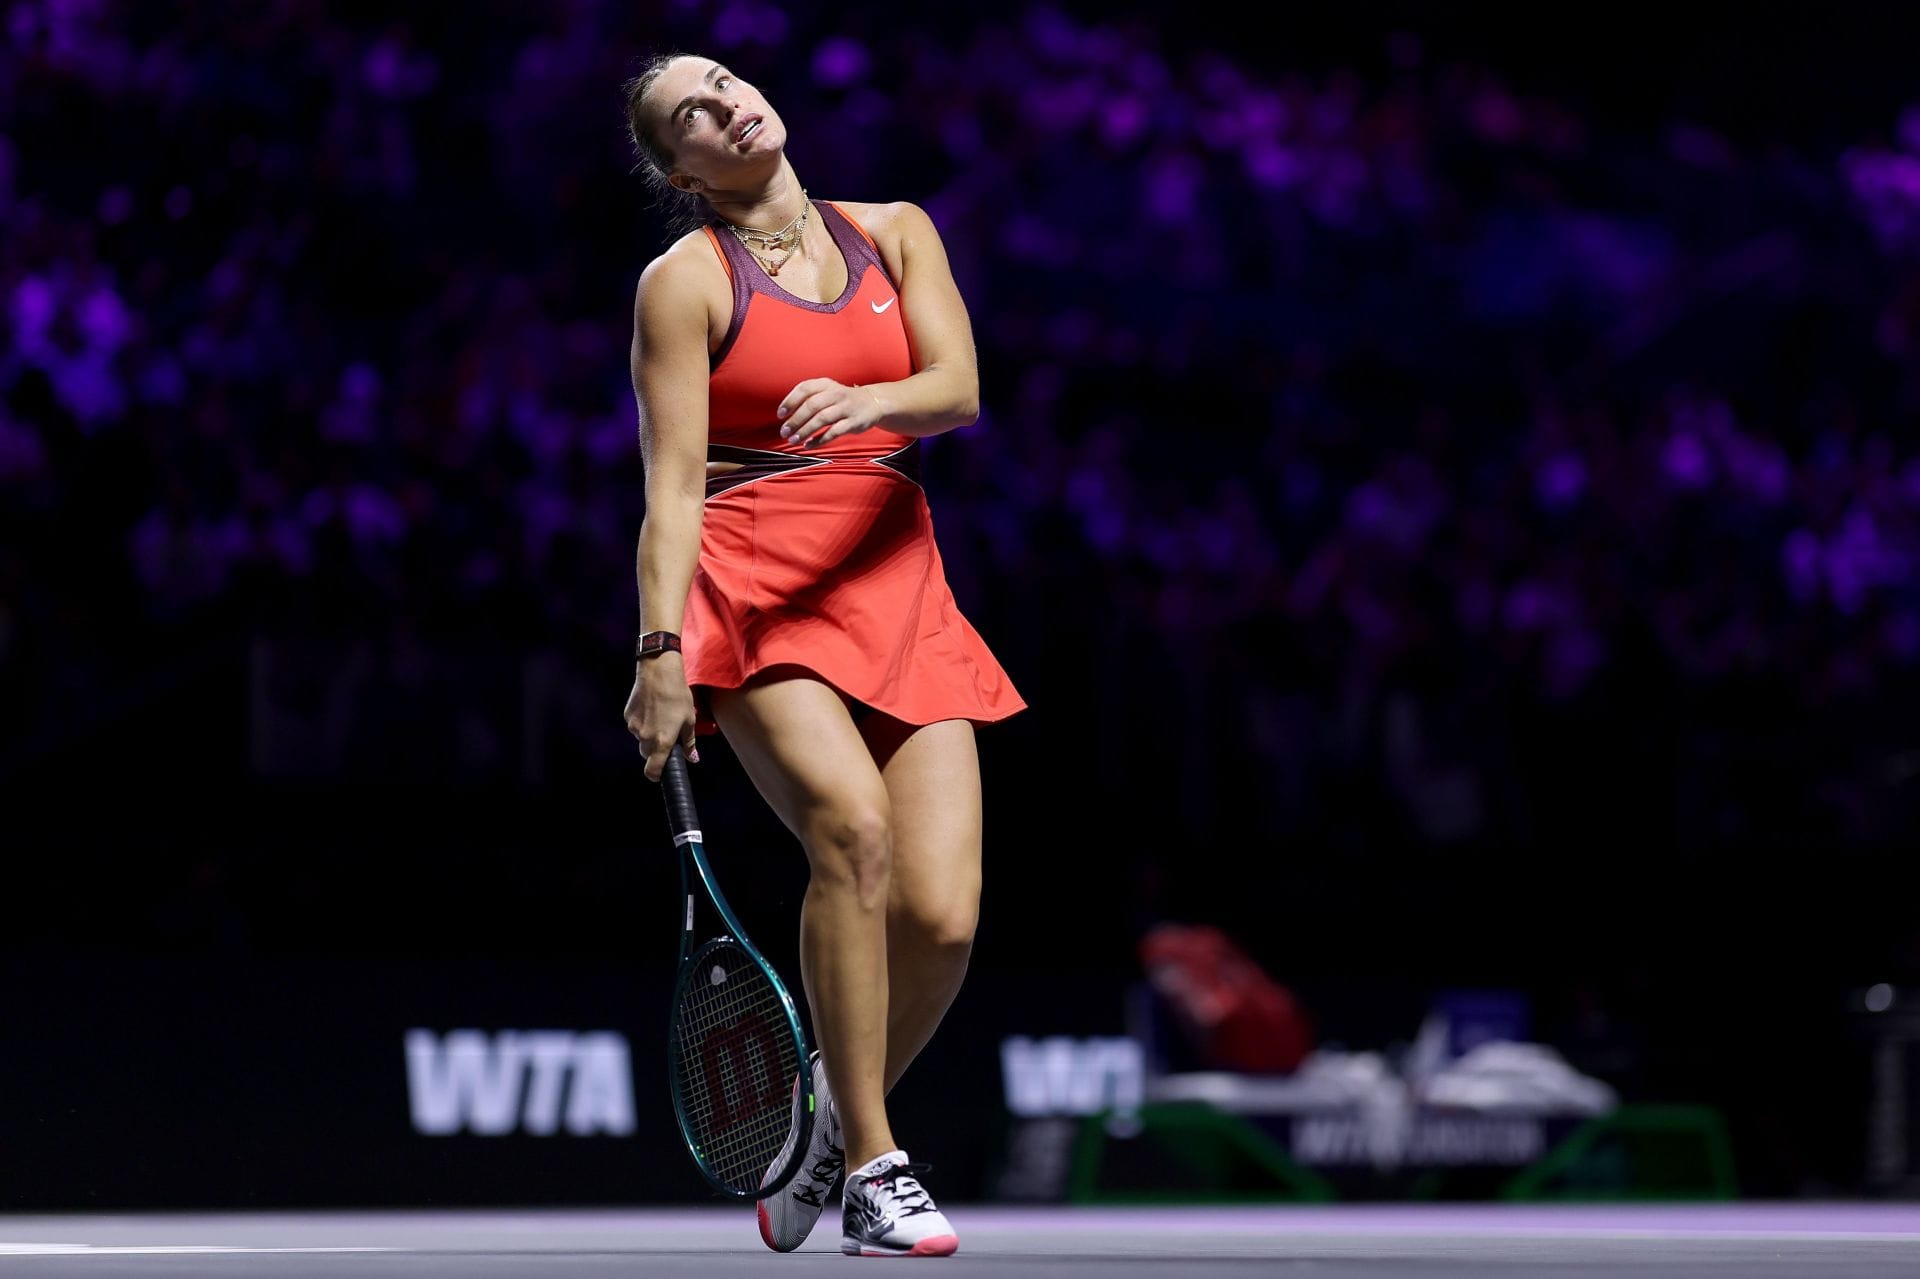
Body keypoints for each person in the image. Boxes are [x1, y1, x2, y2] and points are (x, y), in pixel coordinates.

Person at [618, 52, 1027, 1258]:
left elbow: (956, 388)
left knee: (943, 918)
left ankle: (810, 1132)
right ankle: (874, 1163)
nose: (726, 100)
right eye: (691, 109)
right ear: (679, 167)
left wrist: (871, 406)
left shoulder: (897, 231)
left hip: (895, 576)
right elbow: (674, 489)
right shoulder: (681, 285)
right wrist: (659, 651)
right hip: (756, 584)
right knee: (852, 832)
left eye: (724, 78)